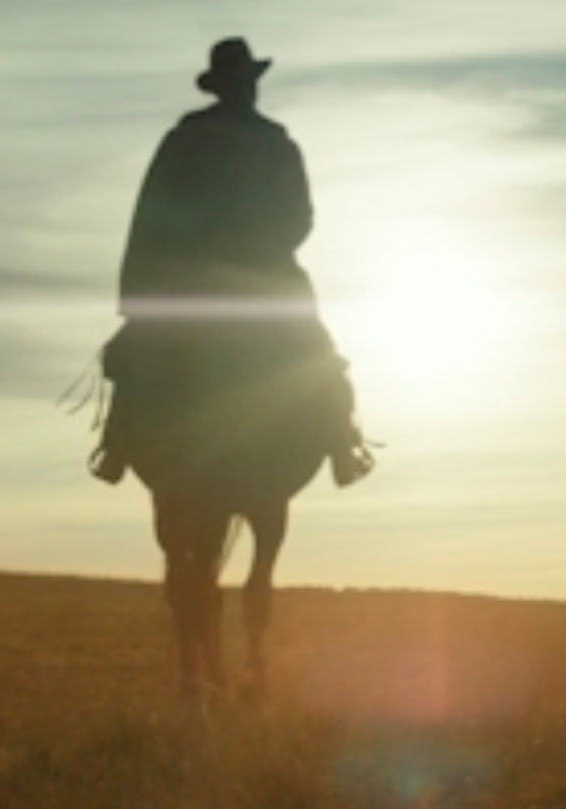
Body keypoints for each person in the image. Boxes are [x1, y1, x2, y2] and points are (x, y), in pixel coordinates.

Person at [90, 37, 372, 487]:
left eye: (247, 81)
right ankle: (342, 444)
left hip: (205, 271)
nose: (246, 89)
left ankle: (116, 446)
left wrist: (151, 282)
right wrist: (260, 247)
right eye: (241, 81)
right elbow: (299, 216)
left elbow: (155, 213)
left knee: (134, 351)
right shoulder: (251, 143)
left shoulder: (216, 141)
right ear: (230, 86)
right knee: (317, 351)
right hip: (256, 271)